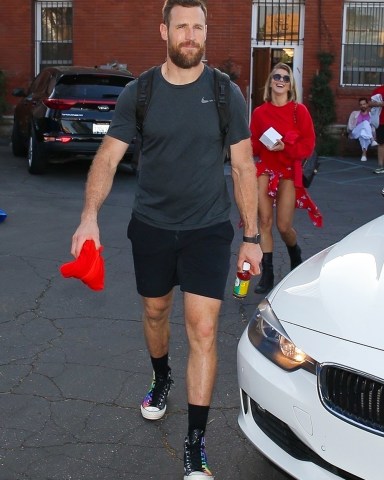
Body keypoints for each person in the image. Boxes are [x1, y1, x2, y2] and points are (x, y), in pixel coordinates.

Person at [70, 0, 262, 478]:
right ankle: (161, 378)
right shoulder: (140, 93)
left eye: (199, 27)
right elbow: (109, 158)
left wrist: (252, 237)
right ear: (164, 31)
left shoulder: (225, 94)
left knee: (201, 330)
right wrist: (88, 217)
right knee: (155, 311)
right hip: (152, 226)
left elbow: (242, 166)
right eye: (182, 27)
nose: (191, 36)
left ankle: (195, 442)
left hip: (207, 230)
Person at [249, 62, 323, 294]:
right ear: (270, 81)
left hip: (289, 172)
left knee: (283, 225)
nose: (280, 80)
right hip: (265, 170)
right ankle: (268, 273)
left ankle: (295, 253)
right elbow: (252, 144)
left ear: (290, 85)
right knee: (265, 222)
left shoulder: (298, 112)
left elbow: (308, 145)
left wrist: (284, 148)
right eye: (276, 76)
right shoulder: (259, 113)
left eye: (286, 77)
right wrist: (259, 143)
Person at [347, 97, 377, 162]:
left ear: (367, 104)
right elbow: (350, 126)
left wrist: (363, 129)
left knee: (362, 133)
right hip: (355, 132)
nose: (362, 106)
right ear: (359, 106)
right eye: (361, 104)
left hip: (363, 134)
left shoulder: (371, 115)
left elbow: (373, 128)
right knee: (365, 123)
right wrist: (359, 127)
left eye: (364, 104)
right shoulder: (354, 113)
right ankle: (372, 140)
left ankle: (364, 155)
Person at [370, 85, 384, 174]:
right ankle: (380, 166)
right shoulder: (378, 89)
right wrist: (379, 104)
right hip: (381, 121)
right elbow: (370, 103)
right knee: (381, 143)